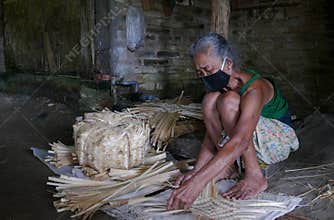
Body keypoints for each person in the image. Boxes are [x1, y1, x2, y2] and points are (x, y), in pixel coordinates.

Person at [167, 33, 299, 210]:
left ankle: (255, 175)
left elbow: (242, 140)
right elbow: (211, 130)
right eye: (200, 73)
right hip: (246, 140)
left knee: (228, 101)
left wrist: (198, 183)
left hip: (278, 139)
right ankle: (230, 166)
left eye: (208, 69)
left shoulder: (255, 88)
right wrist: (197, 171)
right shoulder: (220, 89)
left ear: (228, 64)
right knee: (209, 100)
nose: (204, 76)